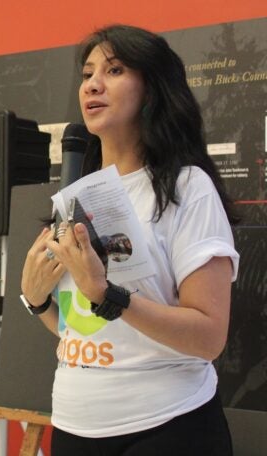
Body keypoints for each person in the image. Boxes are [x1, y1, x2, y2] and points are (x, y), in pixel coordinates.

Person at [20, 25, 239, 455]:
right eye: (87, 74)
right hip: (73, 426)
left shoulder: (186, 188)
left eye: (114, 70)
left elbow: (209, 337)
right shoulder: (77, 196)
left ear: (152, 89)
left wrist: (107, 293)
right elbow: (84, 330)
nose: (93, 84)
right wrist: (37, 299)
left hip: (166, 427)